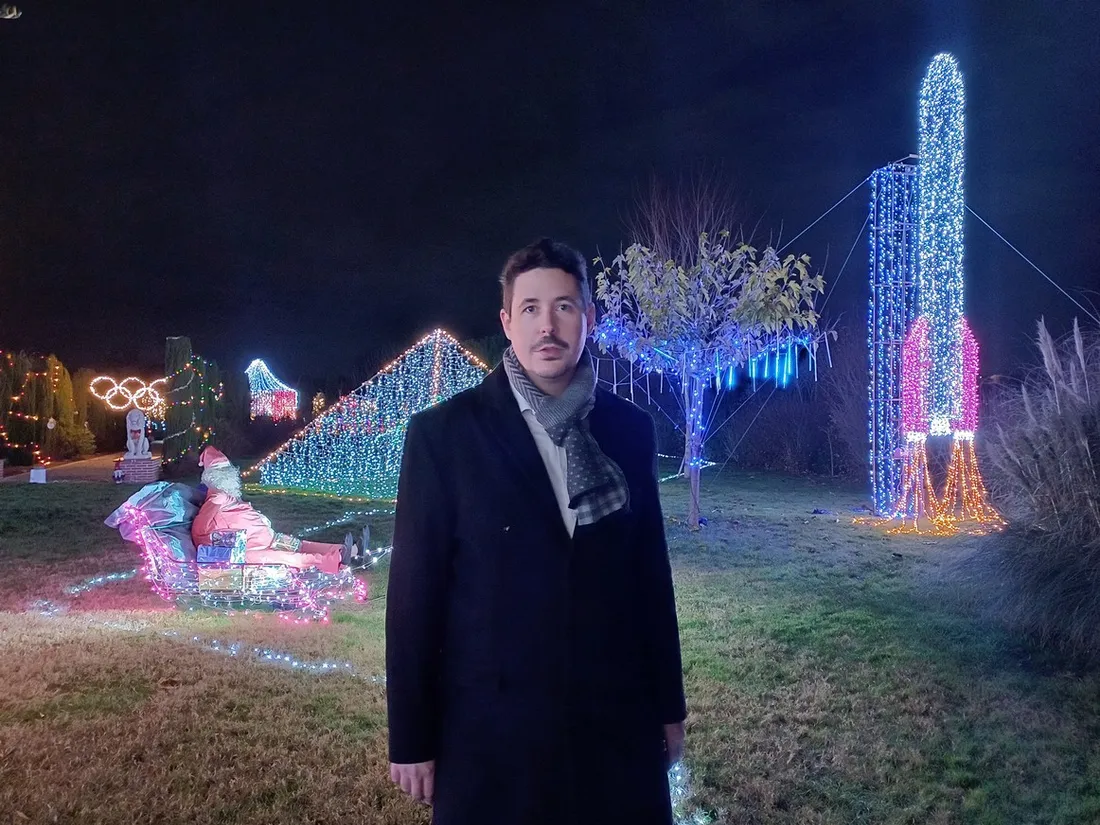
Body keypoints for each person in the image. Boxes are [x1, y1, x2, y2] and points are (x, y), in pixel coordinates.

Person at [386, 238, 687, 824]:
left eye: (564, 306)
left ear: (588, 318)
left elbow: (650, 577)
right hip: (494, 734)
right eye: (530, 308)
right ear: (506, 321)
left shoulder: (629, 430)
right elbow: (414, 599)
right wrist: (412, 737)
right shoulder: (444, 437)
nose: (547, 325)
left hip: (614, 721)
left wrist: (666, 706)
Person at [193, 445, 356, 574]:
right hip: (249, 550)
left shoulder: (231, 497)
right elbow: (199, 531)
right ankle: (336, 558)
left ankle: (345, 550)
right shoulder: (217, 498)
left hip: (266, 538)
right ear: (214, 478)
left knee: (299, 545)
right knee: (290, 556)